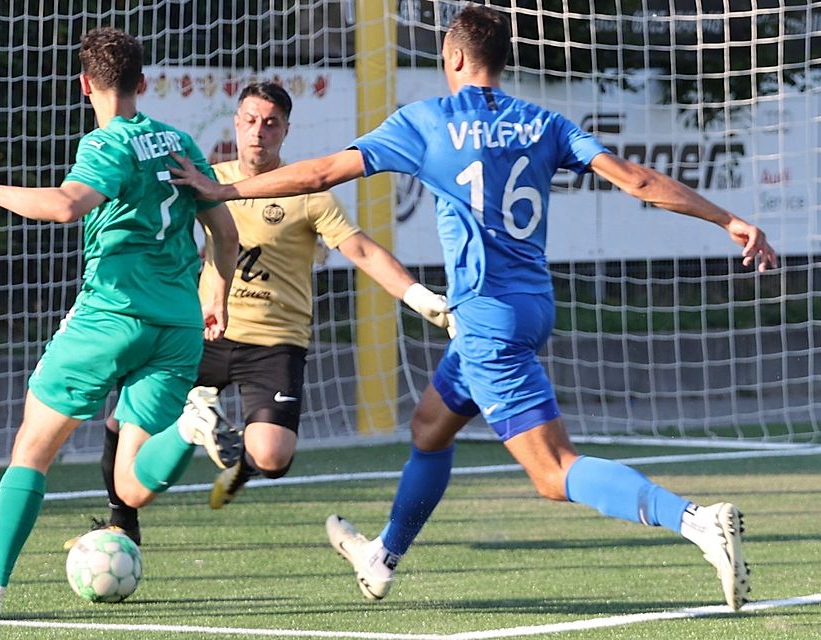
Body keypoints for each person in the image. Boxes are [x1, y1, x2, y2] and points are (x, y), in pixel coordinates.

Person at [170, 5, 777, 611]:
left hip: (486, 316)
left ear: (453, 57)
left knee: (553, 472)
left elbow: (322, 172)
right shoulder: (543, 121)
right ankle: (383, 557)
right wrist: (728, 218)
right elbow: (639, 181)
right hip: (530, 303)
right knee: (430, 428)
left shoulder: (427, 121)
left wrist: (223, 189)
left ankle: (696, 520)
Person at [0, 27, 240, 621]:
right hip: (178, 325)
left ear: (85, 83)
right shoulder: (179, 142)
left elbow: (66, 206)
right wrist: (214, 296)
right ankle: (192, 429)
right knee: (132, 484)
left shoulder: (105, 142)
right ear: (142, 83)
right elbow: (225, 235)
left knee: (31, 450)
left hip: (109, 317)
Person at [69, 80, 454, 548]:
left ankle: (241, 463)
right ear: (236, 123)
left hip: (274, 344)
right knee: (122, 423)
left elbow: (363, 252)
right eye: (250, 121)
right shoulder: (203, 179)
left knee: (273, 458)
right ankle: (120, 521)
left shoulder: (308, 194)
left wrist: (418, 296)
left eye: (270, 123)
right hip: (203, 332)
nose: (259, 132)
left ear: (285, 131)